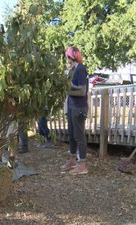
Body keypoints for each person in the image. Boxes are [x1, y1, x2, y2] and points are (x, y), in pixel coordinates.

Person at [60, 46, 89, 175]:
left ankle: (82, 165)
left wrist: (67, 90)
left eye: (68, 57)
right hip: (72, 106)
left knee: (79, 136)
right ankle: (72, 160)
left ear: (72, 57)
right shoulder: (73, 70)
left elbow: (82, 91)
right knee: (71, 135)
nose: (67, 60)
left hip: (79, 107)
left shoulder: (81, 69)